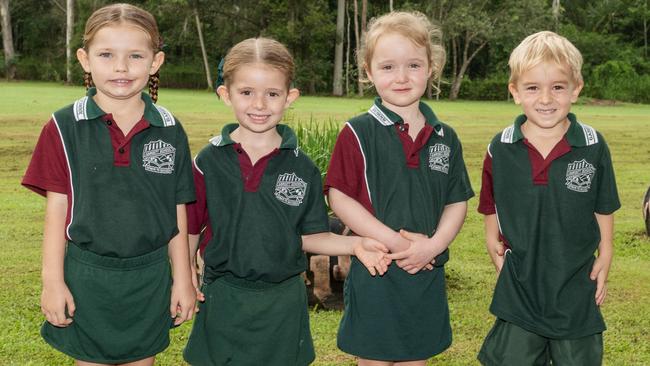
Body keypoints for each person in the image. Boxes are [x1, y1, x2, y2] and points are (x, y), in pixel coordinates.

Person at [183, 37, 391, 366]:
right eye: (247, 92)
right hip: (222, 294)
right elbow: (190, 229)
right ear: (226, 95)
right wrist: (184, 275)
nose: (260, 104)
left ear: (289, 97)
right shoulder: (207, 161)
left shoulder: (303, 167)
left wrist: (357, 245)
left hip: (282, 299)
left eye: (273, 94)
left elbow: (310, 236)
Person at [21, 3, 196, 365]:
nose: (121, 67)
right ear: (85, 59)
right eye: (106, 54)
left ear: (155, 62)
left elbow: (176, 209)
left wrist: (183, 278)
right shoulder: (64, 126)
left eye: (135, 55)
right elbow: (57, 210)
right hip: (88, 277)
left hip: (148, 278)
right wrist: (52, 281)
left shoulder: (169, 128)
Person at [325, 11, 474, 365]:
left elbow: (457, 202)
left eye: (413, 65)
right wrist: (398, 243)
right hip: (376, 269)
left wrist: (433, 246)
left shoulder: (445, 137)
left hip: (425, 270)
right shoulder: (357, 131)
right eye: (388, 67)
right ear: (368, 70)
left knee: (415, 358)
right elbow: (339, 197)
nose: (402, 77)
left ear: (431, 67)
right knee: (374, 358)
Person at [477, 31, 620, 366]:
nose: (546, 98)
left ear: (576, 89)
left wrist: (608, 251)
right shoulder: (501, 147)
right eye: (532, 88)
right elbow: (490, 203)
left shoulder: (592, 145)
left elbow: (604, 203)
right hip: (521, 285)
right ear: (514, 92)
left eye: (557, 86)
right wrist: (490, 241)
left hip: (574, 282)